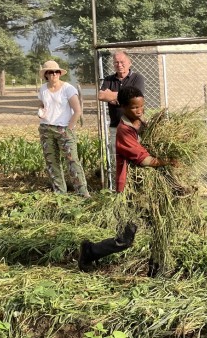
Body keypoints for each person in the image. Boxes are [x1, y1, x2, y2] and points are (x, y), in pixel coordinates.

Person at [79, 86, 177, 275]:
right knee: (125, 239)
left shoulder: (140, 122)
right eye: (134, 108)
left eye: (142, 106)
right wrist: (168, 161)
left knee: (159, 225)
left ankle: (156, 268)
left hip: (146, 188)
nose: (139, 111)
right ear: (122, 107)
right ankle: (90, 251)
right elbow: (145, 160)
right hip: (130, 191)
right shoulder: (124, 131)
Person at [37, 60, 90, 198]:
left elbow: (77, 110)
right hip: (46, 128)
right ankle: (60, 193)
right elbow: (42, 104)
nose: (54, 74)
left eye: (56, 71)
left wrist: (69, 128)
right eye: (50, 72)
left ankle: (82, 193)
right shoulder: (43, 89)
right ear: (46, 75)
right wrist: (41, 111)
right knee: (51, 162)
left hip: (63, 128)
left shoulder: (68, 89)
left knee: (72, 160)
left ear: (60, 73)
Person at [97, 51, 146, 188]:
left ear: (129, 63)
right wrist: (123, 98)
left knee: (137, 157)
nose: (119, 65)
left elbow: (135, 98)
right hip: (116, 128)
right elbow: (101, 96)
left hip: (134, 127)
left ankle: (136, 188)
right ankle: (119, 189)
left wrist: (113, 97)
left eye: (122, 62)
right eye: (116, 62)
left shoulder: (137, 78)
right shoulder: (108, 79)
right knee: (117, 159)